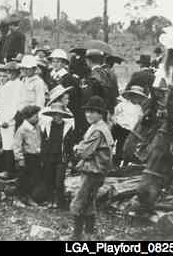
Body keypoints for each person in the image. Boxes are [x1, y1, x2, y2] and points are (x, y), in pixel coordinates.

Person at [70, 96, 114, 240]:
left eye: (92, 112)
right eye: (87, 111)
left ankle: (76, 236)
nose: (88, 114)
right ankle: (89, 235)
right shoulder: (101, 127)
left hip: (92, 171)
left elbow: (84, 152)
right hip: (96, 171)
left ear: (101, 114)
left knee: (79, 202)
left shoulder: (97, 131)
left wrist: (77, 147)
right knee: (89, 202)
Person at [39, 103, 75, 209]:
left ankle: (59, 202)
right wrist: (43, 156)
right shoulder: (47, 126)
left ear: (63, 116)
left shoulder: (68, 127)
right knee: (49, 179)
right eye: (55, 114)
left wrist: (70, 159)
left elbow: (70, 145)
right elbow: (44, 143)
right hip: (49, 156)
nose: (57, 117)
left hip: (61, 157)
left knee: (59, 181)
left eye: (59, 115)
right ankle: (50, 200)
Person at [0, 61, 24, 180]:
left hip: (10, 118)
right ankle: (6, 168)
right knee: (5, 144)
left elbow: (15, 104)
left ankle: (10, 171)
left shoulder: (18, 85)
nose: (9, 74)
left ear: (17, 73)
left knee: (10, 144)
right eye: (8, 72)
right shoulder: (8, 85)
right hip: (4, 116)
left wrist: (9, 119)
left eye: (11, 72)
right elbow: (2, 102)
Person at [13, 105, 42, 207]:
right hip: (27, 157)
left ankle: (28, 197)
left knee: (33, 179)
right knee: (22, 178)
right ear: (28, 117)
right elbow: (17, 145)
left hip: (36, 156)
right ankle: (17, 198)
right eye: (35, 116)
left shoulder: (37, 127)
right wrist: (20, 159)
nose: (37, 118)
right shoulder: (22, 129)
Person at [112, 86, 147, 168]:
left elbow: (140, 120)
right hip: (118, 127)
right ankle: (110, 160)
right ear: (130, 96)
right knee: (111, 143)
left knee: (122, 146)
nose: (136, 98)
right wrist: (114, 121)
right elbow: (115, 113)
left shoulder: (139, 109)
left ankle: (120, 163)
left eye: (138, 97)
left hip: (128, 130)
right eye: (134, 96)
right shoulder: (122, 105)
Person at [81, 49, 116, 115]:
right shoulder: (108, 74)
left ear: (89, 61)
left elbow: (89, 97)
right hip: (106, 110)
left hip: (95, 112)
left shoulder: (93, 75)